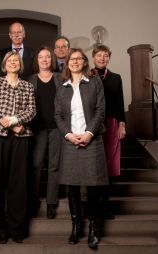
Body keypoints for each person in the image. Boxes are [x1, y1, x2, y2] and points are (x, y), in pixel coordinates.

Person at [54, 48, 108, 249]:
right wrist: (68, 134)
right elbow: (57, 115)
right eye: (71, 59)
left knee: (93, 186)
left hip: (91, 140)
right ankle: (76, 227)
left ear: (85, 62)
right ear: (67, 63)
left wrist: (89, 133)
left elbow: (100, 110)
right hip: (70, 141)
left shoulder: (94, 82)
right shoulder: (62, 86)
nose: (75, 62)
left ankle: (94, 228)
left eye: (79, 59)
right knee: (72, 185)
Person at [0, 51, 36, 244]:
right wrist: (10, 124)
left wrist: (16, 121)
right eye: (10, 61)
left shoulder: (28, 86)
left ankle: (17, 230)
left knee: (19, 185)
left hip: (22, 137)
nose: (13, 63)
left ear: (20, 65)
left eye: (16, 60)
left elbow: (32, 111)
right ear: (4, 65)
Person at [27, 46, 62, 219]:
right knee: (36, 165)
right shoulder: (30, 79)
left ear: (52, 60)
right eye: (41, 57)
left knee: (55, 166)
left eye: (48, 56)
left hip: (57, 128)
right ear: (37, 60)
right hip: (37, 128)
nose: (45, 59)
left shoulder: (60, 78)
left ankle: (51, 203)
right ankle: (33, 201)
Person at [92, 45, 126, 220]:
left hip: (112, 123)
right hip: (92, 125)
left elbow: (120, 103)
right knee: (94, 164)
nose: (102, 58)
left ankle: (106, 205)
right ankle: (94, 205)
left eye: (105, 55)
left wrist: (122, 124)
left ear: (109, 58)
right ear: (93, 57)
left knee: (109, 164)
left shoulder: (115, 78)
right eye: (99, 55)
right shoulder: (87, 75)